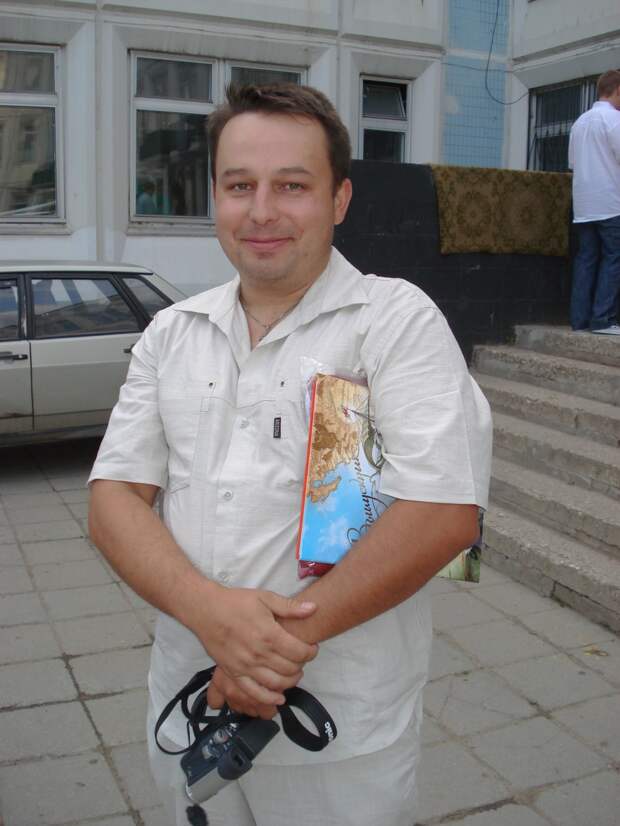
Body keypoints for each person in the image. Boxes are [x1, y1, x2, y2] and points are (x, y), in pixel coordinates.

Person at [88, 83, 492, 826]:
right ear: (215, 196)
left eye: (292, 186)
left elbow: (443, 513)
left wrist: (265, 653)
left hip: (336, 728)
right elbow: (115, 495)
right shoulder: (172, 333)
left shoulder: (392, 322)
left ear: (339, 199)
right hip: (189, 700)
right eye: (239, 185)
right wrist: (210, 615)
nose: (262, 211)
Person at [568, 69, 620, 335]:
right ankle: (603, 319)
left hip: (583, 205)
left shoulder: (579, 122)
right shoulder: (614, 119)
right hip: (611, 202)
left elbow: (572, 164)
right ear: (618, 90)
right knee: (614, 258)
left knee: (586, 260)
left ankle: (579, 320)